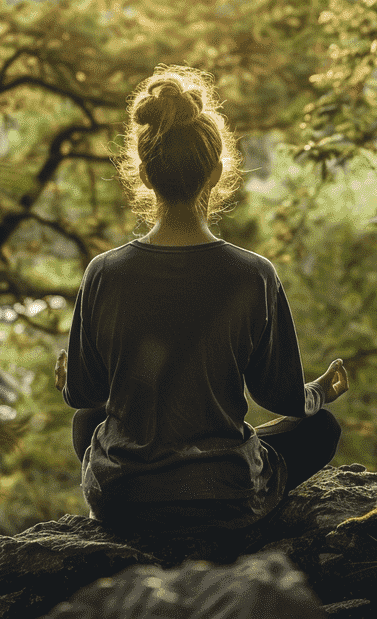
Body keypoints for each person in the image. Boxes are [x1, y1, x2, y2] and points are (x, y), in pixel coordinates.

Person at [59, 64, 349, 532]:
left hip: (126, 500)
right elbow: (283, 398)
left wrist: (69, 376)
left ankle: (127, 501)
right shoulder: (252, 274)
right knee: (321, 428)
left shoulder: (103, 273)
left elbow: (86, 395)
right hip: (223, 497)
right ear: (215, 173)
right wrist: (318, 392)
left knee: (88, 421)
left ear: (145, 176)